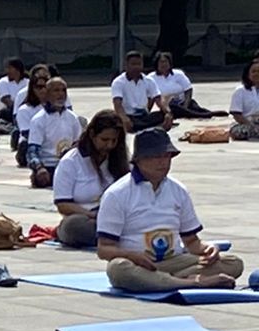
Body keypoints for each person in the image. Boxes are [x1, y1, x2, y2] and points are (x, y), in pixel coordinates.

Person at [95, 128, 243, 292]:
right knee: (118, 269)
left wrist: (208, 249)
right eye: (156, 157)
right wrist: (132, 256)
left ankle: (167, 281)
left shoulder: (178, 190)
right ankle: (191, 282)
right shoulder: (117, 194)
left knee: (233, 263)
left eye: (167, 156)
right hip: (137, 262)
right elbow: (104, 249)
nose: (163, 163)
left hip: (175, 260)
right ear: (139, 159)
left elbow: (192, 242)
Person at [53, 110, 127, 249]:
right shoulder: (70, 162)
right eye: (104, 140)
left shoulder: (118, 160)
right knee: (73, 227)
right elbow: (63, 204)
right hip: (87, 217)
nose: (110, 146)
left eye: (114, 141)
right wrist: (92, 215)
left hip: (116, 216)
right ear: (92, 135)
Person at [26, 76, 82, 189]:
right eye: (56, 90)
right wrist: (39, 168)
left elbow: (79, 144)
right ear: (46, 94)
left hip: (68, 164)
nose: (61, 94)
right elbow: (32, 151)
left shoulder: (73, 118)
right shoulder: (39, 119)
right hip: (48, 166)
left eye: (63, 90)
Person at [111, 50, 172, 134]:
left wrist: (168, 113)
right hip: (129, 116)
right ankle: (148, 127)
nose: (136, 67)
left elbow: (159, 100)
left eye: (139, 64)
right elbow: (117, 105)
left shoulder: (149, 80)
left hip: (144, 116)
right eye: (133, 64)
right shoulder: (118, 82)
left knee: (162, 116)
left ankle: (146, 127)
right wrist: (124, 118)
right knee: (116, 121)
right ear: (126, 65)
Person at [148, 51, 213, 120]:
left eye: (166, 62)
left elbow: (188, 89)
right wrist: (147, 110)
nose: (164, 64)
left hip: (184, 103)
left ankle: (205, 113)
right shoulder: (151, 78)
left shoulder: (178, 74)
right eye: (161, 62)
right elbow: (150, 97)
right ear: (156, 63)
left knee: (196, 109)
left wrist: (185, 106)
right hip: (167, 106)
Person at [228, 56, 259, 140]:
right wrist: (251, 125)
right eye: (254, 72)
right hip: (246, 123)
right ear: (248, 74)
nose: (257, 74)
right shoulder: (240, 90)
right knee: (239, 132)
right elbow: (236, 114)